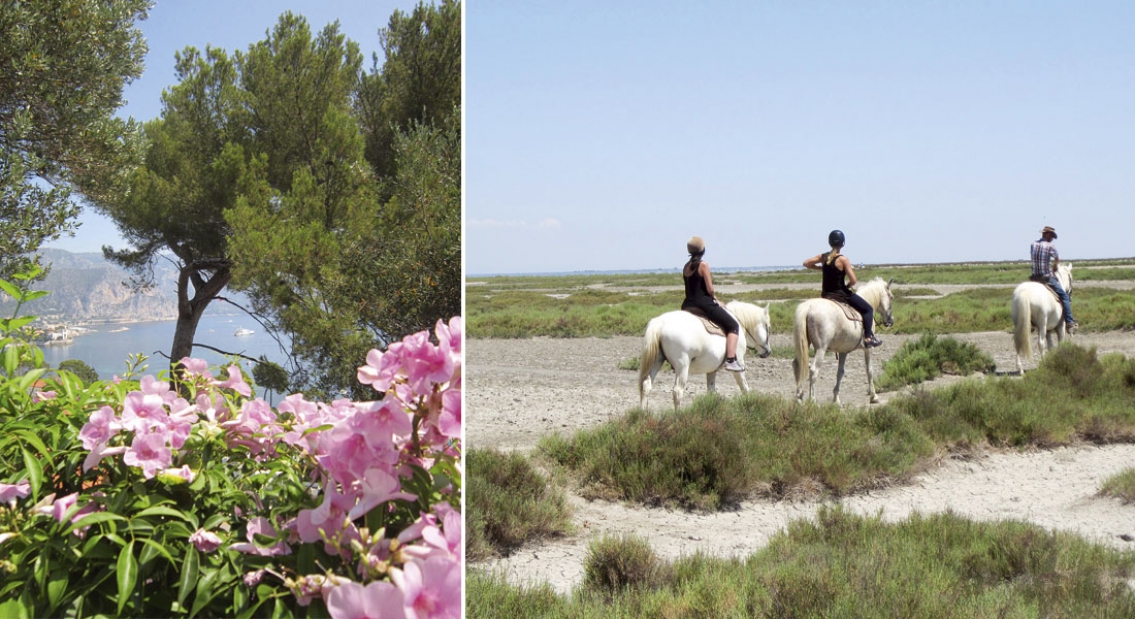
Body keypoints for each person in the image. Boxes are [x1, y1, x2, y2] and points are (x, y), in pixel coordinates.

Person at [803, 229, 883, 348]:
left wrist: (821, 268)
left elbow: (806, 263)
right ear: (843, 243)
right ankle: (868, 337)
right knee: (868, 310)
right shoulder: (843, 259)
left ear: (830, 242)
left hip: (826, 294)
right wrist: (848, 286)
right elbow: (853, 280)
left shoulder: (823, 257)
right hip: (841, 294)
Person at [681, 236, 744, 372]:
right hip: (703, 304)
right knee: (733, 326)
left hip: (687, 305)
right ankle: (731, 360)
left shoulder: (686, 266)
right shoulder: (703, 265)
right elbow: (710, 289)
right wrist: (715, 299)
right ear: (703, 250)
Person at [1030, 225, 1077, 330]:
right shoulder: (1050, 246)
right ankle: (1069, 322)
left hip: (1033, 278)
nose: (1052, 238)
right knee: (1064, 296)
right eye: (1051, 235)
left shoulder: (1033, 244)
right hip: (1045, 277)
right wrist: (1055, 266)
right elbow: (1056, 259)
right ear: (1046, 234)